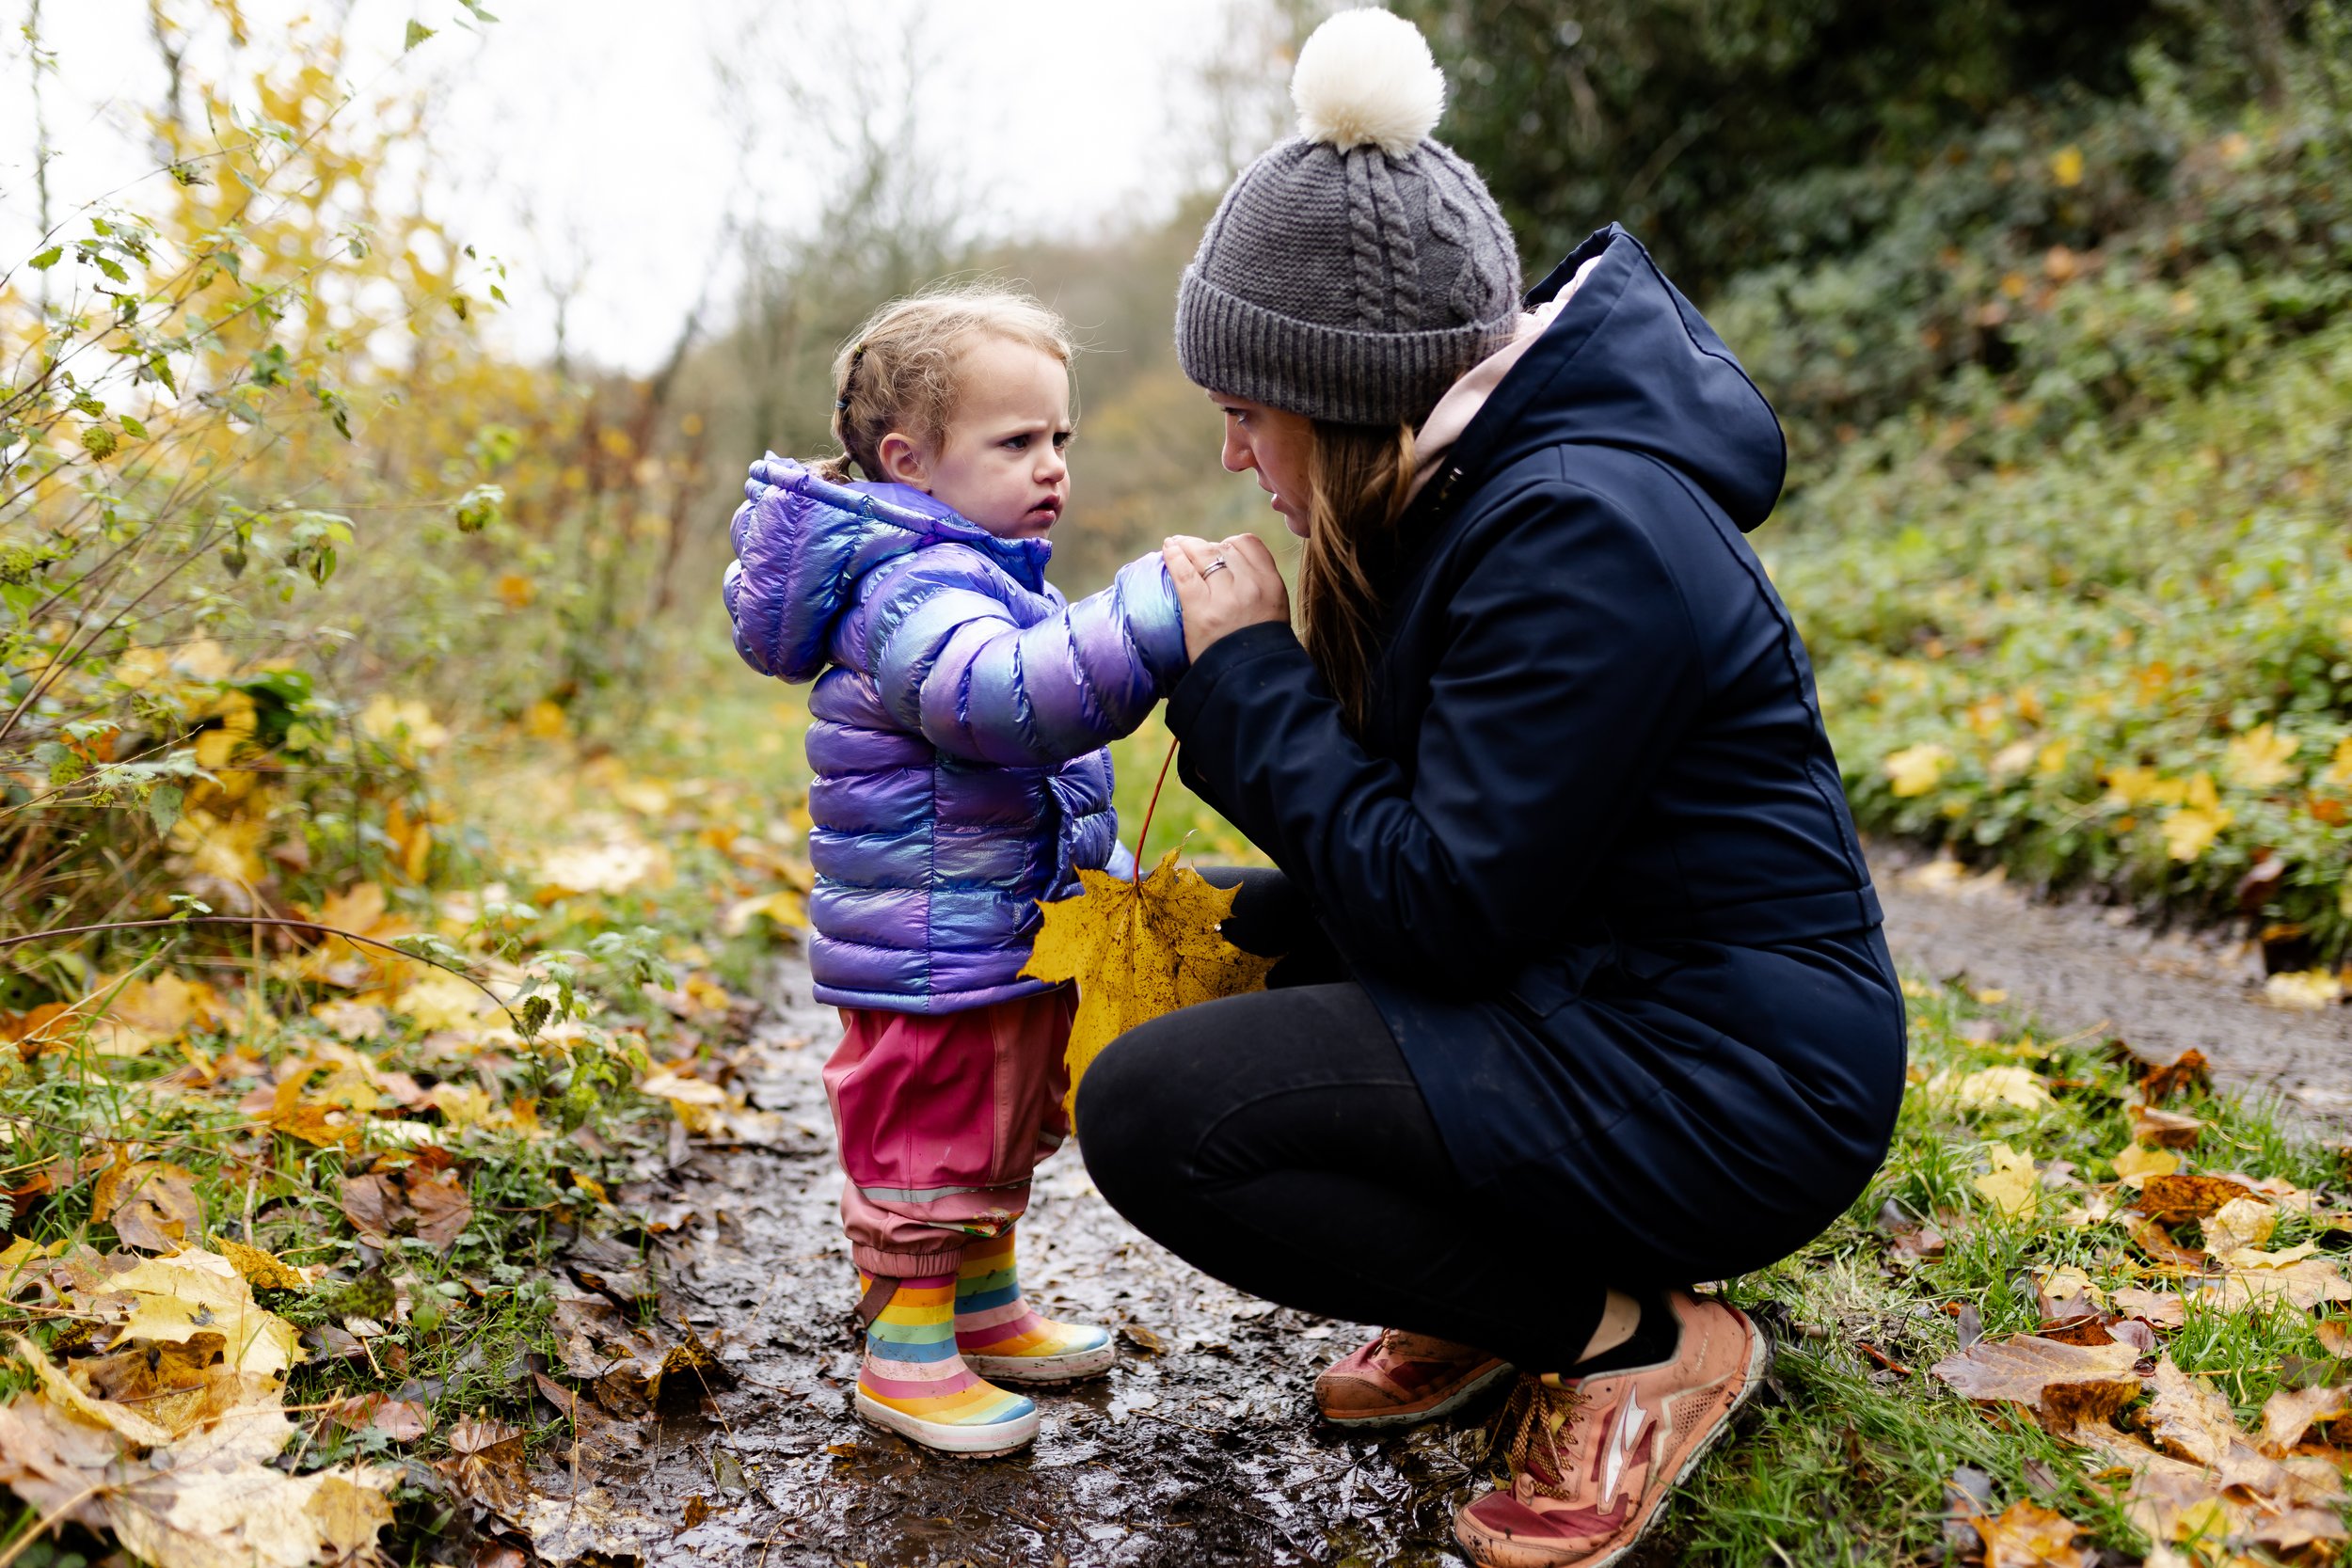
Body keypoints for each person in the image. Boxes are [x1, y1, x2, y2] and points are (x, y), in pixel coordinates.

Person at [1073, 12, 1906, 1566]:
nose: (1241, 454)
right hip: (1605, 994)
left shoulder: (1581, 527)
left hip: (1733, 1084)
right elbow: (1425, 861)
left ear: (1343, 391)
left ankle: (1634, 1337)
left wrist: (1249, 668)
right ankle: (1489, 1286)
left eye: (1251, 408)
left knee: (1161, 1117)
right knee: (1244, 958)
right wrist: (1190, 919)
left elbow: (1443, 908)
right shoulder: (1483, 506)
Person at [722, 286, 1188, 1458]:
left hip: (995, 930)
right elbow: (1002, 703)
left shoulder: (981, 574)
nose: (1051, 467)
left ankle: (982, 1307)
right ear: (908, 459)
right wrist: (1148, 616)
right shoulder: (907, 589)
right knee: (931, 1142)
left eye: (1060, 439)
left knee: (996, 1128)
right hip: (929, 947)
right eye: (1017, 441)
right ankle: (906, 1353)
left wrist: (1103, 863)